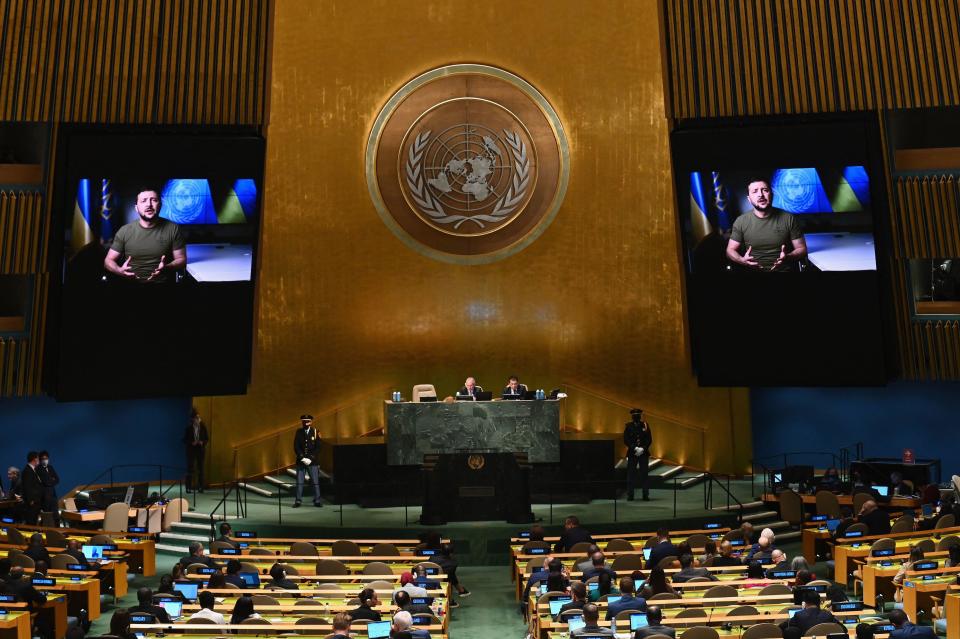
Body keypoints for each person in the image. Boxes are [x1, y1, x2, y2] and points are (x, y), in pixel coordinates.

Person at [103, 186, 186, 283]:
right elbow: (108, 261)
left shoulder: (173, 228)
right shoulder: (124, 231)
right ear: (136, 208)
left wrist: (167, 267)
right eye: (144, 201)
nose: (149, 205)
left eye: (154, 200)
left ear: (160, 205)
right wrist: (119, 271)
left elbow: (181, 259)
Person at [726, 176, 807, 272]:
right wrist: (743, 261)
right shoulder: (741, 221)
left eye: (765, 190)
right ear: (749, 199)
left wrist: (788, 257)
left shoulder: (788, 218)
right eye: (755, 191)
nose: (760, 194)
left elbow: (802, 249)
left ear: (771, 195)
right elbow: (729, 250)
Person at [623, 408, 652, 501]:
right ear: (632, 417)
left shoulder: (645, 425)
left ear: (640, 416)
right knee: (631, 475)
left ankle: (645, 494)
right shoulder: (628, 426)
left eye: (638, 415)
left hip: (643, 453)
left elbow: (649, 439)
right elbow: (626, 439)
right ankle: (630, 494)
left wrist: (643, 448)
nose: (636, 417)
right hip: (632, 453)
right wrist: (635, 448)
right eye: (634, 415)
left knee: (644, 474)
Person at [293, 414, 322, 508]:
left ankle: (317, 500)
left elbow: (318, 447)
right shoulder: (299, 432)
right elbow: (296, 446)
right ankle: (298, 501)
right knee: (299, 482)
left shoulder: (315, 431)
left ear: (311, 422)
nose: (305, 423)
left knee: (315, 482)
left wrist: (310, 458)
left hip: (312, 461)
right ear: (302, 422)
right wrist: (302, 458)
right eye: (304, 421)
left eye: (307, 421)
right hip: (301, 461)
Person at [183, 409, 209, 493]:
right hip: (191, 450)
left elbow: (207, 439)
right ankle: (188, 487)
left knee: (201, 468)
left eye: (199, 417)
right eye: (197, 417)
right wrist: (191, 442)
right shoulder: (188, 428)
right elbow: (184, 440)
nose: (199, 419)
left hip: (200, 450)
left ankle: (200, 487)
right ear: (193, 419)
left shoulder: (203, 427)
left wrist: (202, 442)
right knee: (190, 468)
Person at [19, 452, 43, 525]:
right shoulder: (28, 471)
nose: (39, 460)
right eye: (38, 458)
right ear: (35, 459)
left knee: (34, 521)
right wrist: (31, 501)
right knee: (31, 523)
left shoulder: (32, 470)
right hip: (32, 503)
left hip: (35, 502)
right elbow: (27, 487)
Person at [36, 451, 59, 523]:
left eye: (46, 458)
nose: (45, 460)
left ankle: (57, 530)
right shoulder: (38, 469)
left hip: (53, 495)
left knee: (56, 515)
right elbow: (46, 481)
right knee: (47, 517)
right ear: (40, 460)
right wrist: (51, 479)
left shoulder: (50, 467)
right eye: (43, 458)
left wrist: (50, 481)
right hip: (45, 496)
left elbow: (57, 479)